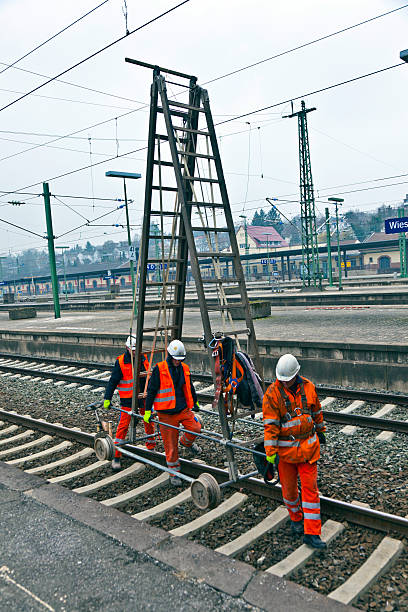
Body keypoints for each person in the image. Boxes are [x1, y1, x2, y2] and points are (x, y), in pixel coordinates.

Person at [262, 353, 327, 549]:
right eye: (283, 380)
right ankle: (296, 519)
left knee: (310, 492)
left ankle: (312, 533)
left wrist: (321, 430)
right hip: (286, 454)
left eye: (288, 380)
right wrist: (270, 452)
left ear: (296, 374)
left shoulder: (308, 387)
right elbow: (270, 426)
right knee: (289, 491)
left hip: (308, 450)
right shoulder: (272, 394)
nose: (285, 383)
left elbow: (316, 412)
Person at [144, 339, 201, 486]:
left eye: (180, 359)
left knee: (196, 428)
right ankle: (174, 473)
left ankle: (186, 442)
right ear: (170, 355)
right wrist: (147, 410)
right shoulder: (160, 369)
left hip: (182, 409)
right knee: (171, 446)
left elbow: (190, 386)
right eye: (176, 359)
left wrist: (195, 401)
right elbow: (151, 390)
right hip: (166, 414)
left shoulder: (185, 368)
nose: (178, 362)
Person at [104, 335, 155, 470]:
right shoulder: (121, 362)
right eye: (132, 349)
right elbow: (113, 381)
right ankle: (117, 455)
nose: (134, 351)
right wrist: (107, 398)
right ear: (127, 348)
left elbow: (149, 376)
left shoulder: (143, 359)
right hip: (128, 400)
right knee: (123, 426)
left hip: (143, 397)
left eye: (136, 349)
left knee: (149, 421)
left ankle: (151, 448)